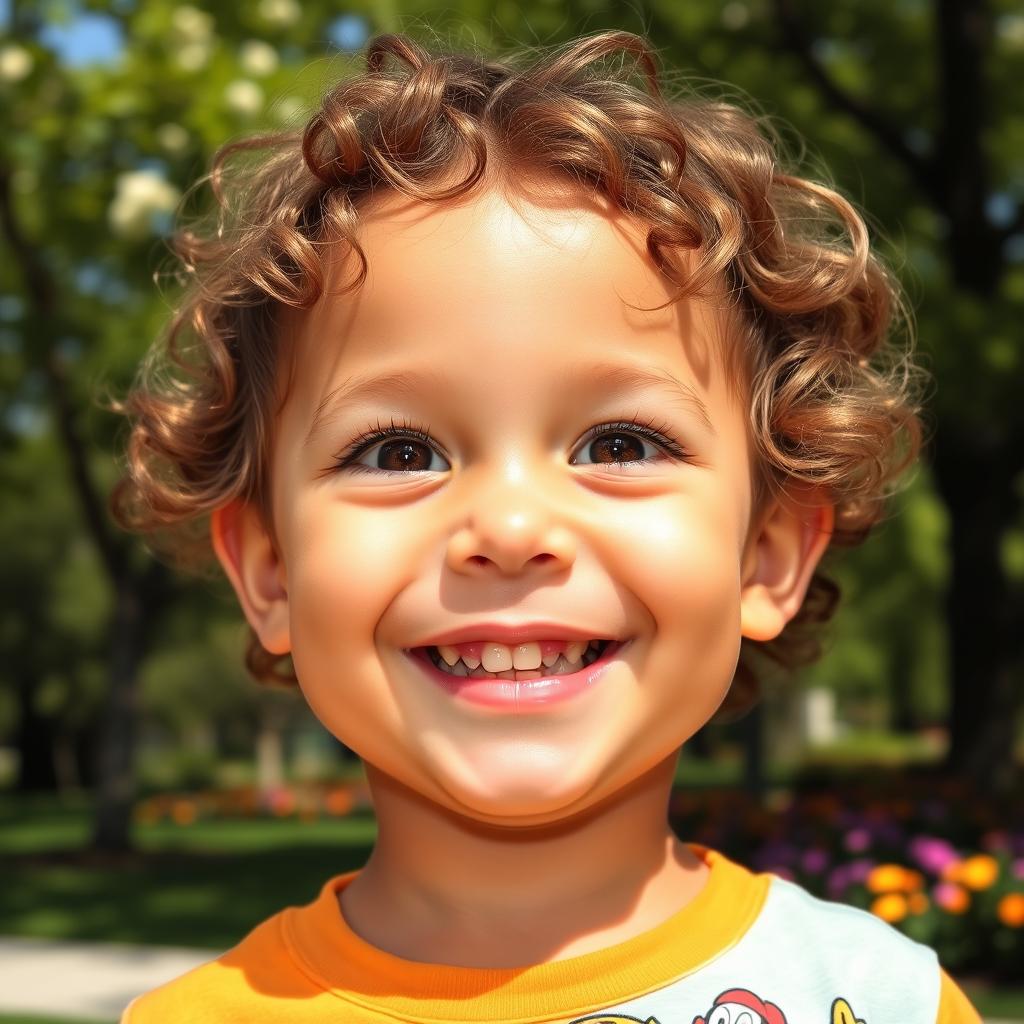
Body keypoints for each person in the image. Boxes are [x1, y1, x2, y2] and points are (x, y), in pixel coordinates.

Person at [111, 28, 981, 1024]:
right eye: (399, 452)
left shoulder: (884, 1001)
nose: (513, 525)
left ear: (767, 553)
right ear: (269, 571)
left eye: (619, 443)